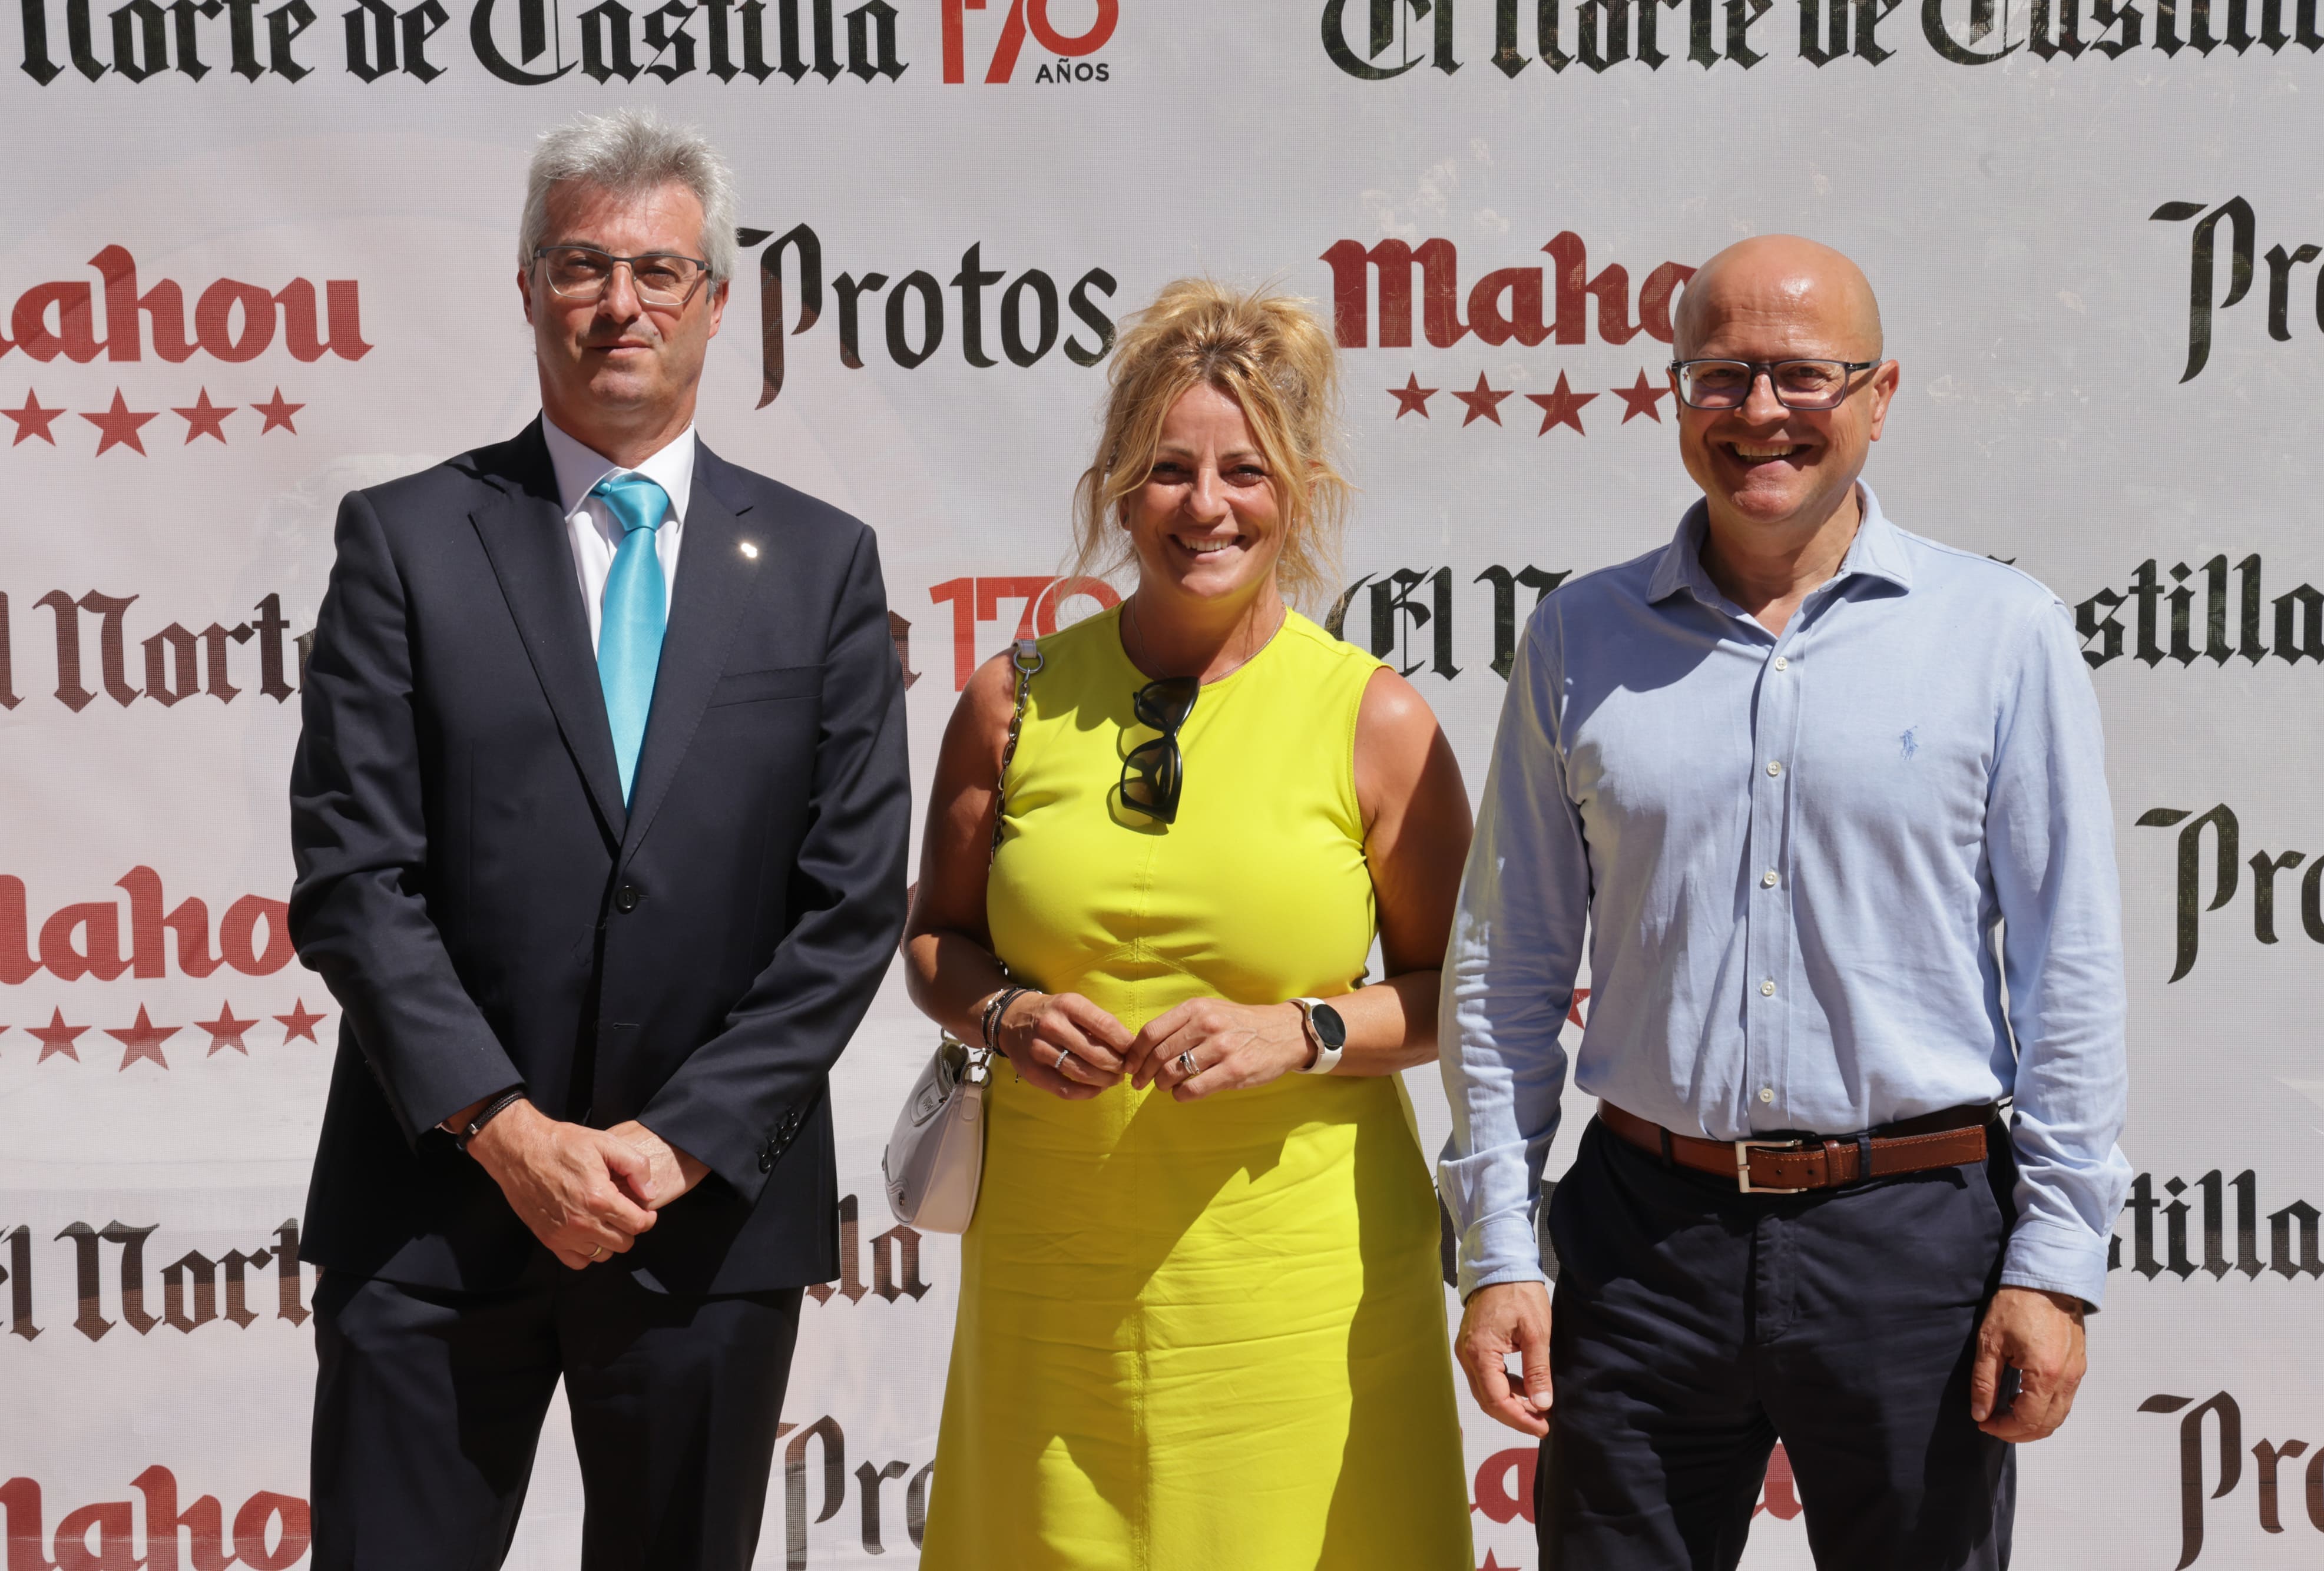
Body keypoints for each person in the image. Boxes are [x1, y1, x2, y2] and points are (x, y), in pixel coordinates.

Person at [1438, 235, 2131, 1570]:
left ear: (1878, 397)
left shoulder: (2000, 634)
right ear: (1673, 394)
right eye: (1721, 373)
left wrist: (2052, 1265)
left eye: (1802, 375)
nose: (1760, 411)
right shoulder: (1579, 637)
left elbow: (2071, 971)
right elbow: (1505, 963)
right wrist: (1500, 1248)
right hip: (1642, 1237)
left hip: (1912, 1246)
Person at [287, 109, 909, 1570]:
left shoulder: (821, 566)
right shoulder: (406, 539)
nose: (618, 302)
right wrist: (506, 1134)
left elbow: (848, 901)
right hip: (434, 1211)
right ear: (525, 290)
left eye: (657, 270)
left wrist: (674, 1141)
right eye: (580, 265)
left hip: (700, 1228)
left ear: (714, 302)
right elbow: (354, 879)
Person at [902, 279, 1477, 1570]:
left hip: (1300, 1282)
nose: (1204, 506)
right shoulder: (1012, 698)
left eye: (1243, 470)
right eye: (1166, 468)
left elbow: (1462, 991)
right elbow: (935, 937)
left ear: (1297, 489)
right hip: (1057, 1274)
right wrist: (1001, 1007)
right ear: (1116, 484)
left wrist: (1308, 1028)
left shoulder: (1373, 718)